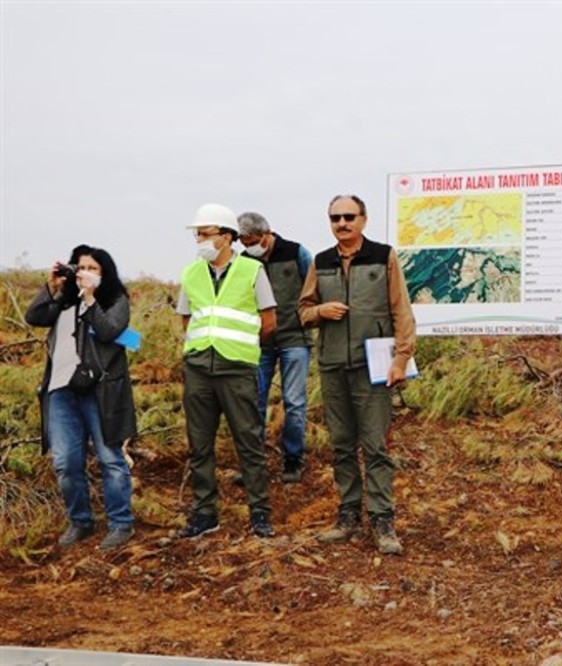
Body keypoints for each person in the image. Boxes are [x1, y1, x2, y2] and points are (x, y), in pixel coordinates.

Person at [299, 194, 416, 555]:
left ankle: (382, 520)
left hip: (373, 368)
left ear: (363, 219)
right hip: (333, 364)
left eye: (349, 216)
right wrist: (321, 310)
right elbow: (303, 311)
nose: (342, 223)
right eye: (335, 218)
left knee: (375, 446)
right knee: (342, 445)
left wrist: (401, 359)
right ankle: (348, 516)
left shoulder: (383, 256)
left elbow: (401, 311)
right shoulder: (321, 262)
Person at [174, 203, 277, 539]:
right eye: (197, 235)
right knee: (199, 444)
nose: (200, 240)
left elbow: (268, 321)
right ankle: (205, 513)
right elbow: (187, 319)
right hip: (199, 368)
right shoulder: (191, 273)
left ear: (227, 236)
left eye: (205, 234)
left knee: (248, 441)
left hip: (237, 369)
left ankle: (260, 512)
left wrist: (240, 346)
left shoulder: (252, 270)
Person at [26, 244, 138, 550]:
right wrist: (53, 287)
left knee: (110, 458)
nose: (85, 273)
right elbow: (34, 316)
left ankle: (121, 524)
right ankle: (80, 521)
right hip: (60, 390)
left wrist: (90, 299)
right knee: (65, 462)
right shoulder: (64, 301)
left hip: (101, 392)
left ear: (105, 273)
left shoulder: (115, 301)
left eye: (93, 268)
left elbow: (109, 331)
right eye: (81, 267)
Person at [237, 212, 314, 483]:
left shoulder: (296, 253)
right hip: (259, 342)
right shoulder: (244, 261)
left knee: (294, 402)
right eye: (244, 243)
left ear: (267, 233)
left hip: (295, 338)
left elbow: (313, 287)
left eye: (252, 241)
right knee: (253, 401)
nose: (249, 247)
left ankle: (293, 460)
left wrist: (307, 318)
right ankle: (252, 463)